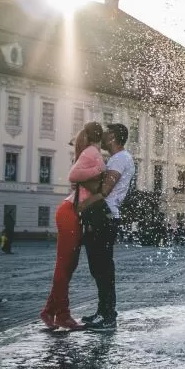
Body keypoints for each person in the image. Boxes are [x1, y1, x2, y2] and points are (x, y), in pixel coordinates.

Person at [40, 122, 106, 331]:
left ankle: (49, 311)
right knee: (64, 266)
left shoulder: (91, 150)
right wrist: (100, 168)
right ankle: (62, 315)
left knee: (69, 265)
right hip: (70, 212)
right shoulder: (91, 152)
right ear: (100, 136)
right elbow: (73, 175)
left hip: (73, 213)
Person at [81, 123, 136, 331]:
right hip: (104, 215)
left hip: (104, 215)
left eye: (105, 134)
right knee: (99, 267)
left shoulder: (121, 158)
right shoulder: (118, 158)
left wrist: (81, 178)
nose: (101, 137)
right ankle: (103, 312)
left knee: (102, 268)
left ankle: (108, 316)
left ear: (112, 137)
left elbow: (105, 189)